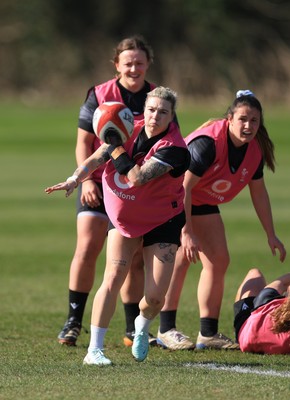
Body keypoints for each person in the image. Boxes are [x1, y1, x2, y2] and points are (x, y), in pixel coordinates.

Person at [45, 86, 191, 365]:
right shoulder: (126, 129)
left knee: (156, 298)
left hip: (163, 220)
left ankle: (141, 325)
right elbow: (97, 157)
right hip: (125, 219)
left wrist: (115, 145)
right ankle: (94, 350)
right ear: (143, 110)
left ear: (172, 117)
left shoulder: (175, 148)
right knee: (113, 276)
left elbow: (136, 177)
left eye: (163, 112)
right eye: (150, 110)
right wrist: (76, 178)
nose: (154, 117)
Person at [157, 89, 286, 350]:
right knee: (180, 258)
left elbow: (258, 192)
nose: (248, 125)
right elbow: (183, 187)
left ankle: (208, 333)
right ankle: (166, 330)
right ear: (229, 119)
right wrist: (186, 231)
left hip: (202, 201)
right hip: (170, 198)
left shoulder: (254, 150)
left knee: (218, 260)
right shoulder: (208, 143)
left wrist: (271, 234)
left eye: (254, 121)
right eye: (243, 119)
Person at [56, 35, 158, 347]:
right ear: (117, 65)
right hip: (98, 183)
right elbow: (83, 143)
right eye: (128, 62)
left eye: (140, 62)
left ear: (147, 65)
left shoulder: (157, 99)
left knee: (135, 258)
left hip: (134, 187)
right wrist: (86, 180)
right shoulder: (100, 94)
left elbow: (164, 143)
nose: (134, 68)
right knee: (88, 247)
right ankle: (73, 321)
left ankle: (131, 328)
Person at [234, 268, 290, 354]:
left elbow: (282, 283)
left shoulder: (267, 302)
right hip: (282, 347)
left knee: (254, 273)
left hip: (248, 340)